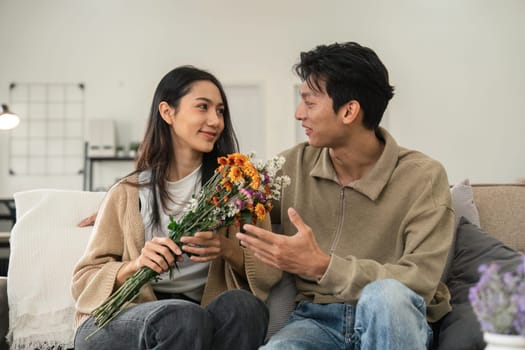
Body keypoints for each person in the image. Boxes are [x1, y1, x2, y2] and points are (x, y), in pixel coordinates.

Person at [236, 42, 454, 349]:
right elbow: (241, 216)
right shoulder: (291, 166)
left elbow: (420, 282)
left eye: (310, 103)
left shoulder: (423, 177)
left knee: (386, 295)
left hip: (392, 318)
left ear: (349, 111)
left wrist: (324, 266)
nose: (299, 114)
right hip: (316, 321)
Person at [72, 66, 279, 350]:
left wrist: (225, 248)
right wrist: (136, 265)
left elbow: (269, 273)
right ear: (167, 112)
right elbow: (82, 282)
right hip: (121, 317)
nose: (215, 120)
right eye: (202, 107)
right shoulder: (128, 193)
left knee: (245, 307)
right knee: (181, 318)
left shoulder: (237, 189)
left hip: (199, 315)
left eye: (220, 111)